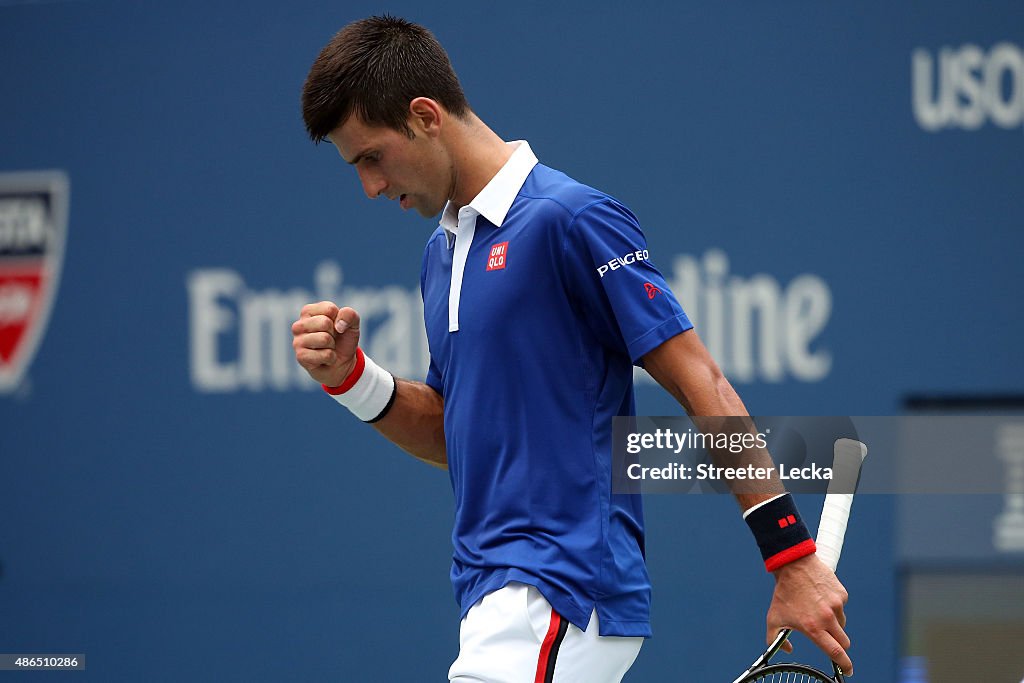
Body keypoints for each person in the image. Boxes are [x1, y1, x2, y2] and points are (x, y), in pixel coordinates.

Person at [292, 15, 851, 683]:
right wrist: (351, 377)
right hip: (489, 597)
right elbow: (456, 430)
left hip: (557, 590)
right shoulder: (440, 255)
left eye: (371, 157)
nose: (371, 187)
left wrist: (791, 555)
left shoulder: (571, 218)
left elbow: (702, 382)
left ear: (424, 115)